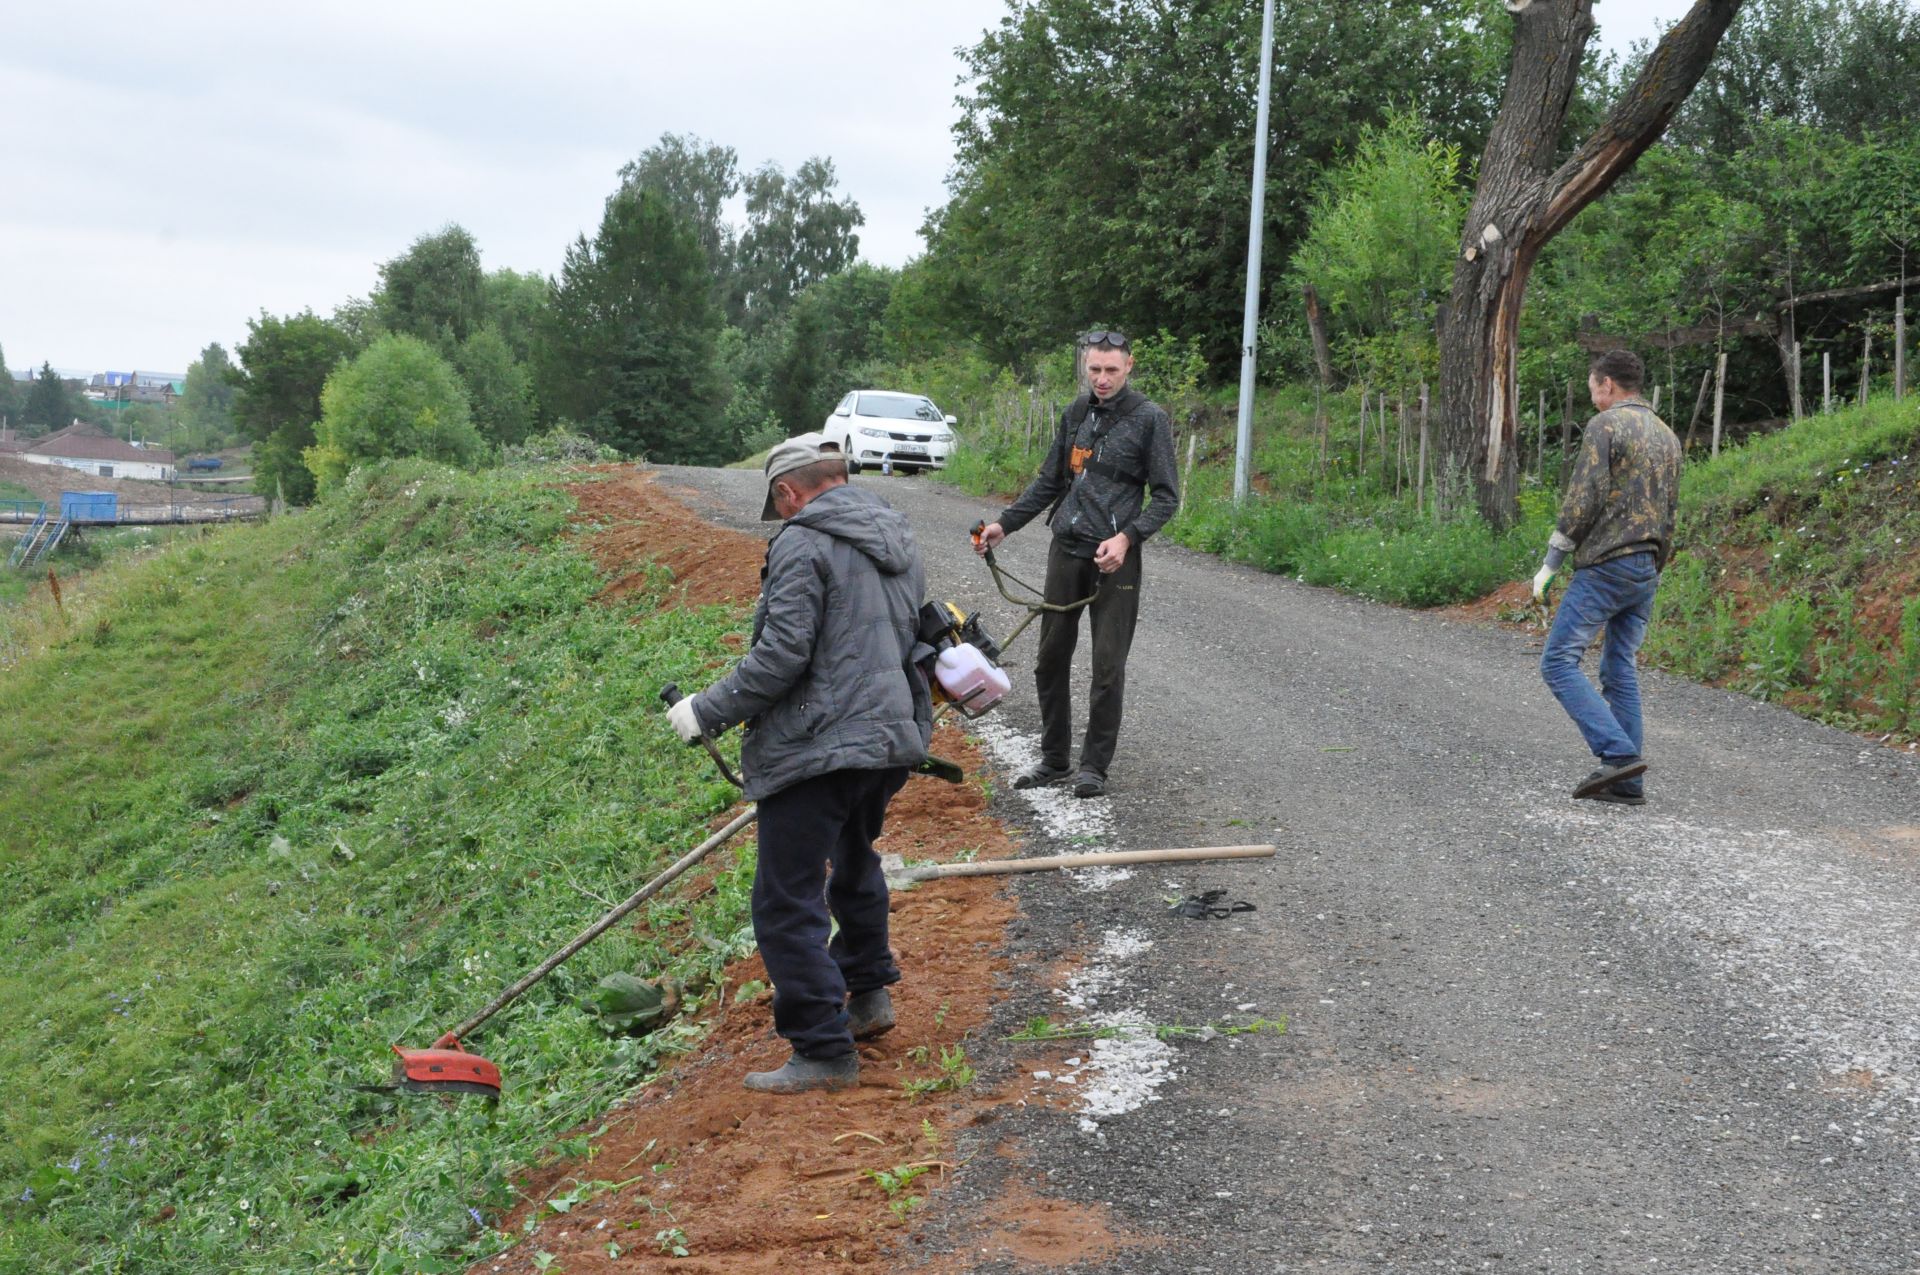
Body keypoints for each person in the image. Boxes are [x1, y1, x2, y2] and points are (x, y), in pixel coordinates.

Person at [666, 434, 932, 1093]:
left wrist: (707, 710)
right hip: (890, 739)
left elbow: (782, 656)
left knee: (784, 899)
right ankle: (868, 996)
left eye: (778, 504)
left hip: (820, 745)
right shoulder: (894, 534)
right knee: (855, 858)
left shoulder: (801, 541)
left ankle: (821, 1047)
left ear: (789, 492)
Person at [972, 330, 1180, 798]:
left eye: (1110, 370)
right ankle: (1055, 758)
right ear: (1084, 368)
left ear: (1129, 366)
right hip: (1066, 549)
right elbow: (1050, 480)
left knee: (1107, 666)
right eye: (1094, 370)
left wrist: (1127, 539)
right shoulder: (1075, 413)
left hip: (1115, 560)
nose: (1102, 379)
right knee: (1049, 659)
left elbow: (1167, 498)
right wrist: (1004, 524)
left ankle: (1094, 767)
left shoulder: (1150, 420)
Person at [1531, 349, 1682, 806]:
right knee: (1619, 668)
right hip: (1648, 566)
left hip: (1607, 563)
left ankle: (1617, 754)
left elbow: (1584, 496)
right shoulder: (1667, 435)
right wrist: (1655, 566)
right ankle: (1627, 783)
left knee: (1557, 662)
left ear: (1608, 385)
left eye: (1593, 386)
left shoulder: (1606, 426)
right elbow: (1671, 510)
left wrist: (1551, 563)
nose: (1592, 395)